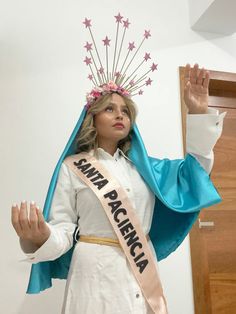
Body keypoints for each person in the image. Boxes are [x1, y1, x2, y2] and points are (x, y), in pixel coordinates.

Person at [11, 62, 226, 314]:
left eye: (125, 110)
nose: (119, 115)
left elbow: (196, 173)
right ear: (93, 117)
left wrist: (198, 114)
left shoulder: (146, 170)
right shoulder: (73, 167)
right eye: (109, 109)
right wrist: (41, 237)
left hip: (141, 271)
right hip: (93, 277)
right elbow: (64, 229)